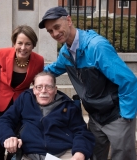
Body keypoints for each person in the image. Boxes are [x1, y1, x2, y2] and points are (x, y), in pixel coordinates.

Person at [38, 6, 137, 160]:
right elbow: (51, 70)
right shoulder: (66, 52)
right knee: (94, 156)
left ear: (69, 20)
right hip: (95, 116)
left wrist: (126, 116)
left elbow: (128, 80)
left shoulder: (97, 46)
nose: (55, 33)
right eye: (50, 31)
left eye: (57, 27)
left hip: (117, 115)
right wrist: (26, 69)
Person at [0, 71, 95, 160]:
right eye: (39, 87)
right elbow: (5, 119)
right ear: (34, 89)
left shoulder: (68, 106)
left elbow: (81, 132)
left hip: (63, 153)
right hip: (29, 153)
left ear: (55, 89)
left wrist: (79, 154)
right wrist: (8, 136)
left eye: (48, 87)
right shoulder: (25, 99)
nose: (43, 91)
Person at [0, 25, 44, 160]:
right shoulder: (1, 54)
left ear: (33, 45)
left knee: (15, 147)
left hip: (20, 108)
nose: (23, 48)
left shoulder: (38, 60)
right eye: (20, 43)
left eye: (28, 44)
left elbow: (38, 85)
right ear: (14, 43)